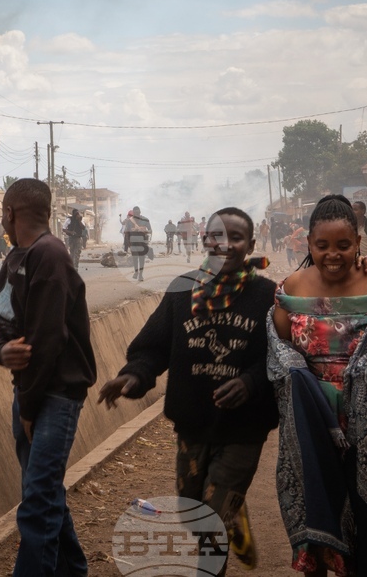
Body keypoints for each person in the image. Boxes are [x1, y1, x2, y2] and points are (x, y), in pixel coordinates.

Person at [98, 207, 279, 573]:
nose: (223, 244)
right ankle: (232, 511)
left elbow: (282, 356)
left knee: (210, 523)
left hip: (243, 430)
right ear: (202, 238)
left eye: (235, 238)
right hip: (192, 425)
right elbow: (153, 348)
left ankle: (221, 532)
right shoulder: (183, 292)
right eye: (215, 236)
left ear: (250, 245)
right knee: (192, 511)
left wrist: (251, 381)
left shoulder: (267, 297)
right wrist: (133, 377)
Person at [268, 196, 367, 576]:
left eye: (344, 246)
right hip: (313, 427)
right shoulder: (291, 287)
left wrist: (358, 377)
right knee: (321, 515)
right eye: (322, 246)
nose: (333, 254)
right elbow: (280, 354)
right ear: (308, 244)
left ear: (358, 242)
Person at [0, 178, 95, 577]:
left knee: (36, 503)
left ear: (11, 213)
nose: (2, 218)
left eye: (3, 212)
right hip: (30, 393)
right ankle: (74, 570)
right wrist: (1, 351)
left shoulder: (50, 255)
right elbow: (2, 324)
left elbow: (47, 341)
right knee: (44, 495)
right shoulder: (15, 259)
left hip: (55, 396)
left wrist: (29, 407)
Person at [124, 206, 152, 281]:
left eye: (138, 213)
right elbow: (126, 233)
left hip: (143, 242)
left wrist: (143, 229)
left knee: (142, 259)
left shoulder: (145, 220)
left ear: (140, 212)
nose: (136, 214)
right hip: (133, 242)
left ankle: (141, 274)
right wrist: (128, 243)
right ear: (133, 213)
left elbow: (150, 230)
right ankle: (136, 272)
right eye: (135, 213)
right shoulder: (130, 221)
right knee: (135, 258)